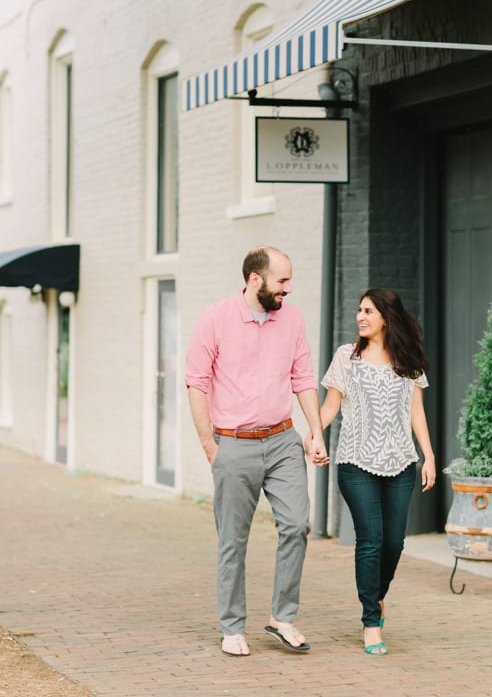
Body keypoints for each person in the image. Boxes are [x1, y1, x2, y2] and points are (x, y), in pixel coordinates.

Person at [186, 245, 327, 657]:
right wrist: (210, 446)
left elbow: (302, 378)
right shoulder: (215, 319)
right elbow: (197, 383)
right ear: (255, 279)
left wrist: (315, 432)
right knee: (233, 539)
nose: (288, 290)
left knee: (297, 525)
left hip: (283, 439)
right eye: (282, 282)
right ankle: (232, 626)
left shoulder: (292, 319)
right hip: (233, 442)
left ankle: (283, 618)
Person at [317, 288, 437, 655]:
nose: (360, 316)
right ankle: (371, 622)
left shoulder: (408, 360)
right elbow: (330, 407)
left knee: (393, 542)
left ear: (386, 316)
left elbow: (416, 412)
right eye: (359, 310)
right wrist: (312, 436)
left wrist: (428, 456)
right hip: (355, 462)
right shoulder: (346, 358)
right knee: (370, 540)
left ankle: (378, 596)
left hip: (401, 461)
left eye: (368, 310)